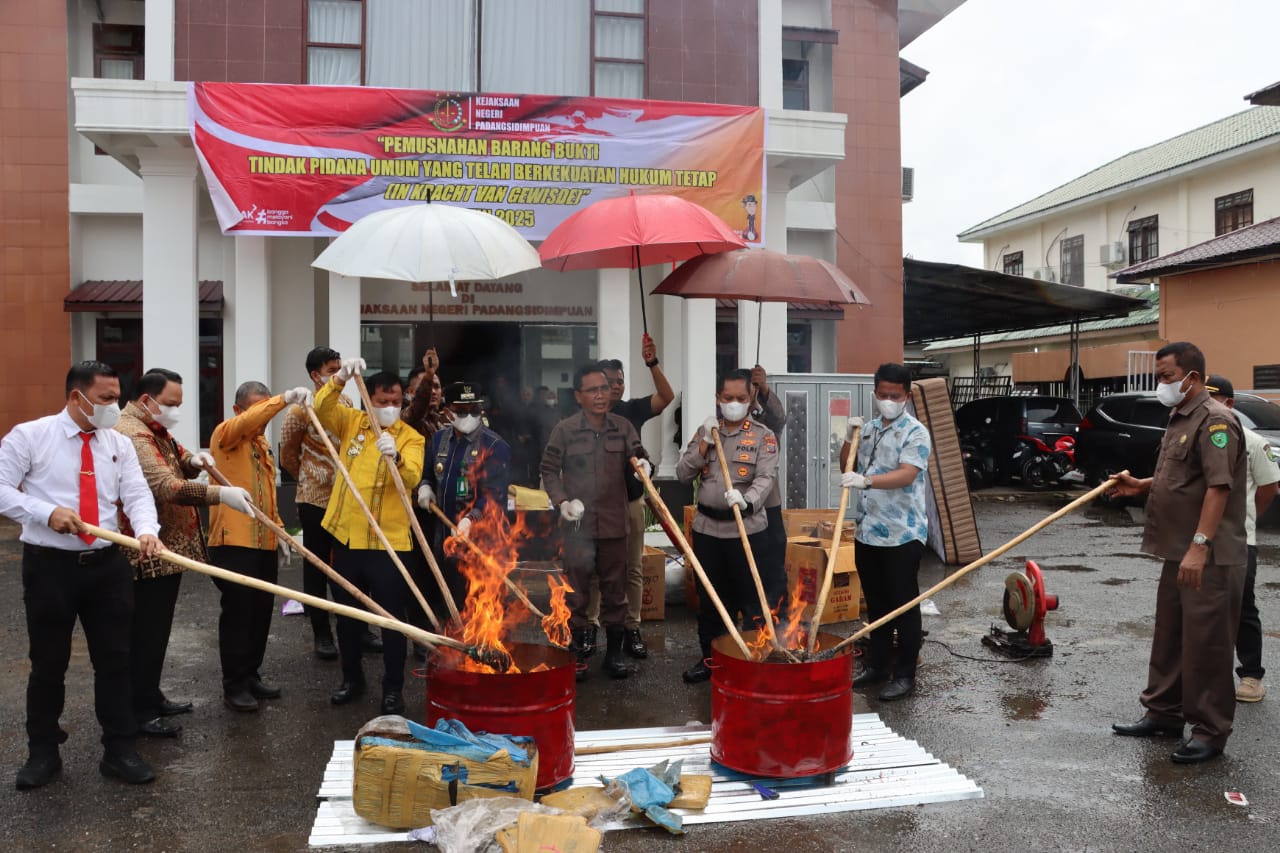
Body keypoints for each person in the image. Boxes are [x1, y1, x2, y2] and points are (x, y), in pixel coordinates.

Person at [0, 361, 163, 788]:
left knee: (115, 660)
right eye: (106, 399)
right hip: (49, 567)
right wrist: (44, 511)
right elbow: (0, 488)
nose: (114, 407)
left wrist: (147, 530)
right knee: (48, 663)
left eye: (116, 397)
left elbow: (137, 494)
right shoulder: (31, 436)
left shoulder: (118, 443)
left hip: (107, 566)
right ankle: (43, 752)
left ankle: (120, 749)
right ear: (77, 397)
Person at [1109, 342, 1246, 765]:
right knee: (1170, 635)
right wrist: (1142, 485)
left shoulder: (1215, 421)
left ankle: (1209, 731)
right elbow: (1181, 475)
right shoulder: (1181, 417)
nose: (1161, 384)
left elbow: (1218, 487)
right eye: (1160, 376)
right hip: (1179, 549)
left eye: (1167, 376)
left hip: (1208, 554)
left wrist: (1199, 547)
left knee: (1206, 644)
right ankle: (1164, 713)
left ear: (1193, 376)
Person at [115, 368, 254, 739]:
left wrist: (194, 460)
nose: (176, 410)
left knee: (157, 630)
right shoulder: (131, 433)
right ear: (147, 400)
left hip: (169, 551)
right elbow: (165, 486)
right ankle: (140, 710)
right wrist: (218, 494)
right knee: (145, 632)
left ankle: (151, 694)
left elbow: (177, 455)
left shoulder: (154, 427)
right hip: (147, 553)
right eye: (171, 404)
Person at [315, 362, 425, 715]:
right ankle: (351, 679)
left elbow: (411, 478)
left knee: (393, 621)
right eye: (382, 400)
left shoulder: (412, 436)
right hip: (347, 539)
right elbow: (321, 408)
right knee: (347, 617)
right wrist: (340, 379)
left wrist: (398, 459)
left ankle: (393, 688)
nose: (390, 405)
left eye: (396, 399)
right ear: (368, 400)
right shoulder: (351, 424)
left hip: (390, 545)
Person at [541, 364, 647, 681]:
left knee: (616, 593)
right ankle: (577, 658)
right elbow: (548, 469)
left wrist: (644, 464)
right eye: (593, 390)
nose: (601, 395)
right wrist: (561, 501)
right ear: (578, 396)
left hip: (615, 525)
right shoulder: (565, 430)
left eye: (604, 388)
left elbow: (639, 455)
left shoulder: (623, 427)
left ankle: (613, 656)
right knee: (576, 594)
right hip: (578, 528)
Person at [209, 380, 310, 712]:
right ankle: (233, 685)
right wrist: (283, 399)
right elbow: (248, 422)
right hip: (234, 543)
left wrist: (281, 534)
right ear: (238, 409)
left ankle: (251, 674)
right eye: (257, 408)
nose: (263, 417)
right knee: (238, 616)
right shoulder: (226, 435)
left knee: (260, 613)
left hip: (262, 541)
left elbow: (266, 496)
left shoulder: (262, 444)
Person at [676, 368, 782, 684]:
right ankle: (711, 660)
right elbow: (683, 473)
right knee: (711, 600)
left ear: (751, 400)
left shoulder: (764, 436)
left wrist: (747, 499)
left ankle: (751, 660)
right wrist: (705, 444)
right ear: (717, 399)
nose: (733, 403)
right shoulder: (707, 431)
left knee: (751, 600)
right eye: (727, 398)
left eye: (741, 398)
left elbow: (766, 477)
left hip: (747, 530)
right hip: (708, 530)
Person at [280, 346, 381, 660]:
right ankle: (322, 635)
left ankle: (360, 629)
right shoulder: (299, 411)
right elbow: (286, 455)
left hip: (349, 501)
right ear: (315, 374)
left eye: (341, 367)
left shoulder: (348, 403)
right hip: (315, 500)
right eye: (332, 369)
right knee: (317, 567)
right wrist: (313, 478)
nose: (339, 374)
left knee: (355, 567)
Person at [840, 363, 932, 702]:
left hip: (902, 534)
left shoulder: (916, 432)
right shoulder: (869, 429)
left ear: (907, 396)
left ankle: (905, 673)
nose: (888, 400)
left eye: (895, 396)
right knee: (876, 603)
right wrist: (849, 439)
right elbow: (845, 466)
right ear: (874, 393)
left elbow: (908, 474)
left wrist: (867, 481)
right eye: (883, 395)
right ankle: (877, 666)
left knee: (903, 605)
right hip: (868, 532)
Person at [584, 334, 676, 659]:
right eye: (611, 382)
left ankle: (632, 627)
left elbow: (667, 396)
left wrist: (652, 362)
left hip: (632, 503)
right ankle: (590, 628)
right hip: (597, 507)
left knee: (632, 568)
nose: (617, 387)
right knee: (596, 570)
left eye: (621, 381)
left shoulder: (631, 411)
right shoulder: (586, 416)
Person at [1205, 375, 1278, 703]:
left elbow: (1268, 490)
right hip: (1197, 538)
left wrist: (1245, 522)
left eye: (1211, 400)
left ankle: (1251, 675)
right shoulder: (1199, 437)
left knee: (1241, 606)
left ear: (1228, 404)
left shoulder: (1251, 442)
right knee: (1200, 606)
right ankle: (1202, 671)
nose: (1204, 407)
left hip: (1238, 540)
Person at [416, 381, 511, 616]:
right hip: (443, 533)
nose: (468, 415)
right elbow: (427, 474)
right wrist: (425, 488)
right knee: (447, 597)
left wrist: (471, 518)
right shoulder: (438, 440)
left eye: (474, 410)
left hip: (480, 539)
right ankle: (450, 646)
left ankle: (482, 648)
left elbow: (494, 495)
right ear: (448, 410)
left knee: (479, 601)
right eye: (461, 411)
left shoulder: (495, 445)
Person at [404, 347, 446, 438]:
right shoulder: (406, 417)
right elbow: (418, 409)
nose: (433, 392)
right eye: (428, 386)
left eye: (436, 387)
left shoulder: (441, 421)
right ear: (410, 391)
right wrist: (429, 375)